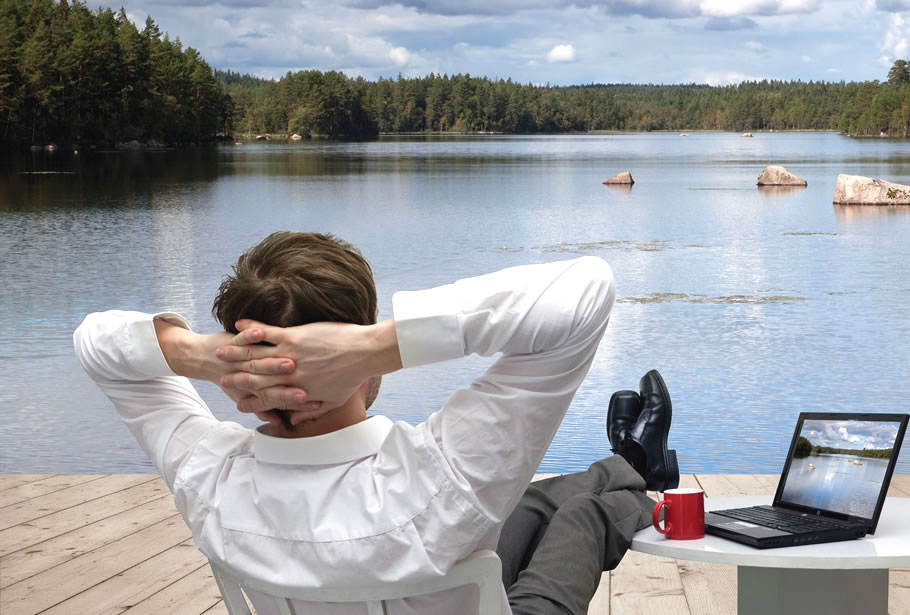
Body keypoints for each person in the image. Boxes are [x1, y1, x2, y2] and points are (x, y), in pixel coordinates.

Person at [74, 231, 679, 615]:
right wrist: (376, 347)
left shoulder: (205, 474)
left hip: (431, 545)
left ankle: (622, 464)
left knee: (534, 503)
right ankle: (637, 478)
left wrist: (204, 357)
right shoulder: (437, 475)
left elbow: (96, 344)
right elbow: (585, 290)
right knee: (586, 515)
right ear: (353, 347)